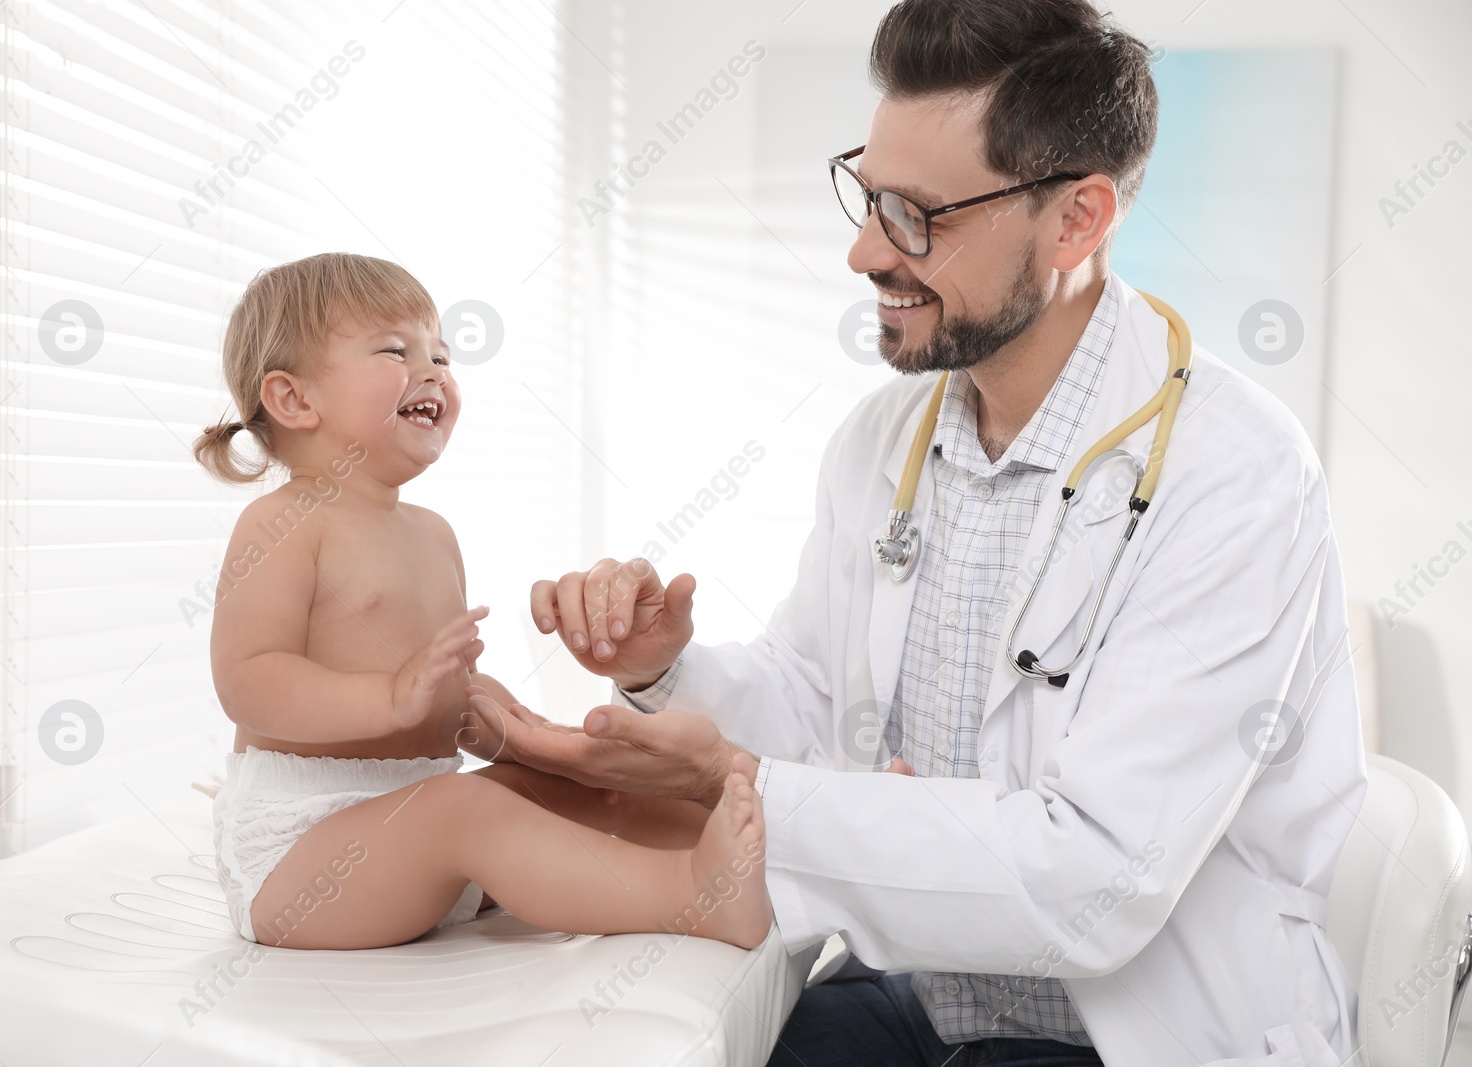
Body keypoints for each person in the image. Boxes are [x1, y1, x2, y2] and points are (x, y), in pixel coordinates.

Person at [463, 1, 1367, 1064]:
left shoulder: (1234, 473)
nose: (860, 251)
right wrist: (667, 673)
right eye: (866, 194)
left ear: (1075, 220)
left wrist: (744, 787)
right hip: (920, 997)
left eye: (914, 214)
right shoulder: (884, 438)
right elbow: (816, 702)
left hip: (1130, 1032)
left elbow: (1095, 881)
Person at [192, 252, 769, 953]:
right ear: (294, 400)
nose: (433, 370)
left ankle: (755, 853)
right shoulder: (284, 522)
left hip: (410, 827)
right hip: (301, 851)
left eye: (440, 353)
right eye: (396, 351)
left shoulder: (434, 534)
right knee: (465, 808)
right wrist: (390, 699)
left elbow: (437, 696)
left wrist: (487, 713)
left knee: (556, 787)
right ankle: (691, 897)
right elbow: (248, 680)